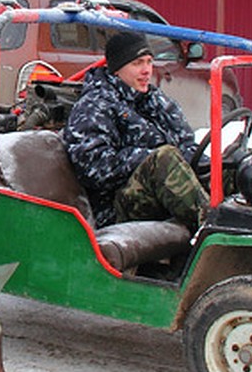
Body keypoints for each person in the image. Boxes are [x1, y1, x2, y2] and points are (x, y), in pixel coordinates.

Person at [62, 30, 207, 230]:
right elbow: (94, 168)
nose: (147, 70)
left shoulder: (154, 100)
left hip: (162, 189)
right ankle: (211, 227)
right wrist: (147, 158)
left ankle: (251, 233)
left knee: (231, 166)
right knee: (163, 159)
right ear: (116, 69)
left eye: (149, 61)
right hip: (116, 206)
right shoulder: (95, 106)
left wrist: (213, 165)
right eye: (137, 63)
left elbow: (186, 142)